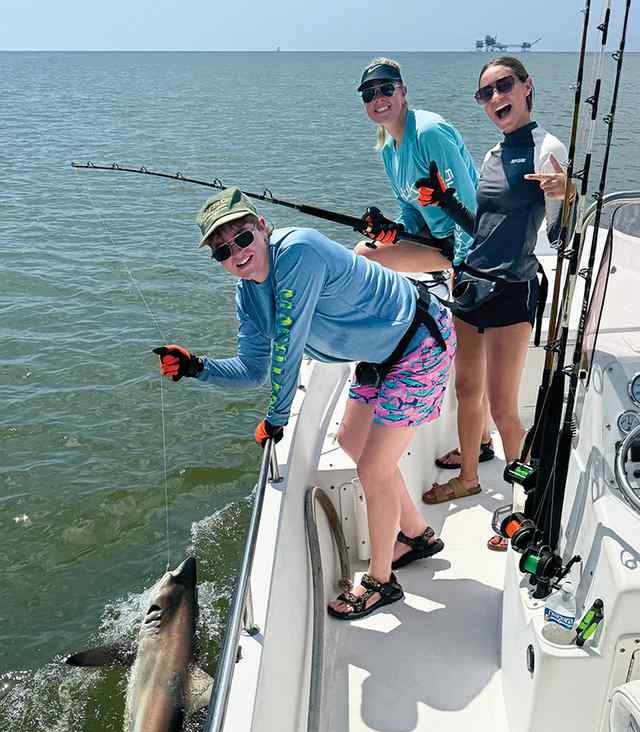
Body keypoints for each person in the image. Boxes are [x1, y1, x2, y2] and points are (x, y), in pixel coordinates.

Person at [154, 187, 456, 619]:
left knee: (373, 468)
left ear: (262, 227)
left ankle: (382, 582)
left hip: (420, 342)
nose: (236, 254)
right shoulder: (248, 296)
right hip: (380, 355)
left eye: (242, 238)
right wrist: (197, 367)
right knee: (352, 440)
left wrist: (276, 417)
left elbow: (289, 348)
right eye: (222, 250)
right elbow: (253, 368)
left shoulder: (299, 251)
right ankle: (417, 535)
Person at [417, 56, 574, 551]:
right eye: (484, 93)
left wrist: (567, 194)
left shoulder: (547, 149)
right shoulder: (490, 155)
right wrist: (444, 201)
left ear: (527, 87)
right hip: (471, 287)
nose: (494, 98)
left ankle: (523, 507)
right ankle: (468, 476)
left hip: (511, 292)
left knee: (504, 406)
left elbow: (561, 234)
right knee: (466, 391)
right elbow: (480, 229)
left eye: (503, 86)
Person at [354, 56, 495, 468]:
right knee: (369, 250)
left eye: (385, 89)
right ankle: (388, 342)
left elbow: (471, 210)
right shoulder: (387, 147)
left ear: (402, 92)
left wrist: (463, 275)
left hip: (473, 249)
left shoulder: (429, 132)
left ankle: (481, 442)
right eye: (369, 94)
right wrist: (391, 231)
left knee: (467, 360)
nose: (378, 99)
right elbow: (414, 218)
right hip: (442, 245)